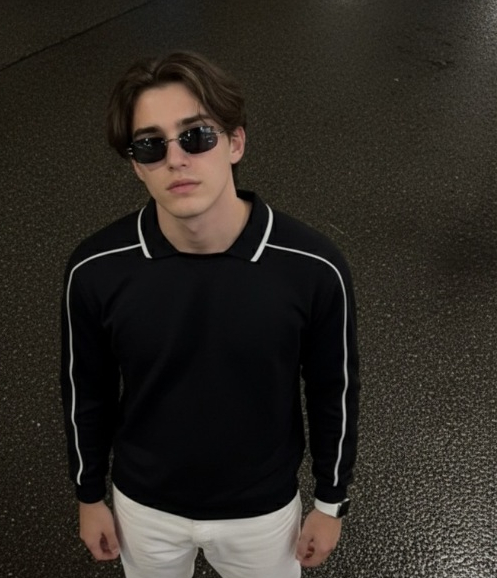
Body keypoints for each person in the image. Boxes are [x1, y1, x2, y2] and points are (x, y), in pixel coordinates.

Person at [61, 51, 360, 578]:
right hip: (143, 510)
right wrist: (89, 495)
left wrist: (330, 502)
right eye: (151, 145)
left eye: (196, 136)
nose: (175, 159)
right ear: (136, 165)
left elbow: (333, 390)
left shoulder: (313, 268)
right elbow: (86, 390)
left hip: (262, 513)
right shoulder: (95, 270)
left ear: (235, 143)